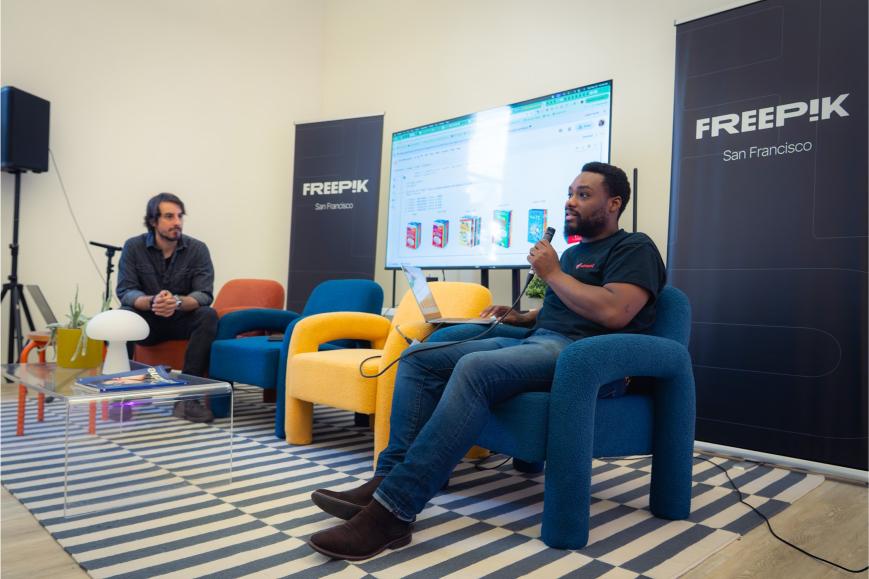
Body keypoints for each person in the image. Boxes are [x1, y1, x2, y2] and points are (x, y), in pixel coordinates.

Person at [306, 162, 667, 560]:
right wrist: (523, 316)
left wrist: (552, 273)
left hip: (585, 357)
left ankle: (393, 512)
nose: (570, 201)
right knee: (420, 357)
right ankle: (387, 478)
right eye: (569, 193)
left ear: (614, 203)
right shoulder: (573, 253)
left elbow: (615, 312)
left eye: (583, 194)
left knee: (476, 369)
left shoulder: (634, 248)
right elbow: (563, 309)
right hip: (542, 338)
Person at [116, 192, 218, 423]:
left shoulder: (197, 249)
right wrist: (152, 301)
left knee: (208, 315)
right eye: (169, 216)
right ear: (153, 221)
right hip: (147, 321)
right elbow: (126, 291)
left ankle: (187, 401)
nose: (177, 222)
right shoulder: (133, 247)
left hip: (180, 319)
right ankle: (122, 396)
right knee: (122, 316)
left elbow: (204, 294)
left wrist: (177, 302)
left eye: (180, 216)